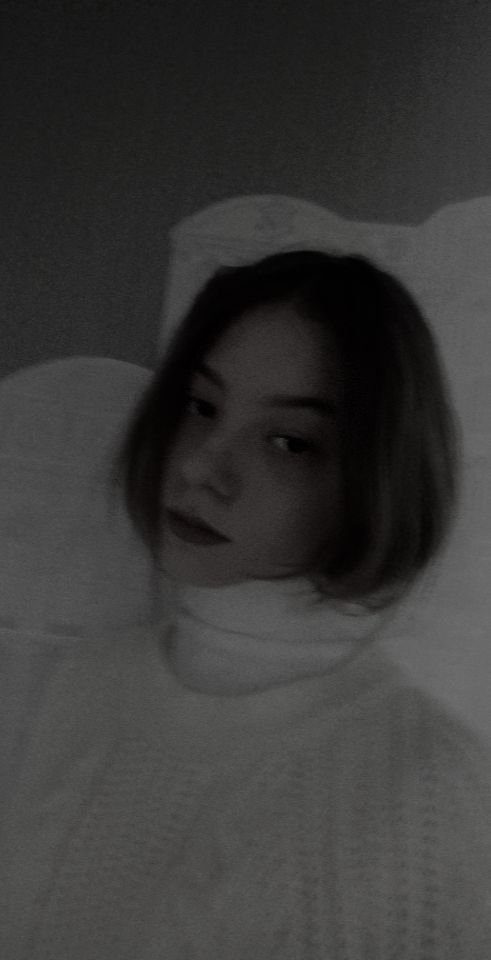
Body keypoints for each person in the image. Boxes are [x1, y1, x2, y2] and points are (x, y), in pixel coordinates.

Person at [2, 250, 491, 958]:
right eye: (201, 407)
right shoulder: (81, 682)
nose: (201, 465)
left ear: (376, 474)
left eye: (288, 443)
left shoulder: (428, 787)